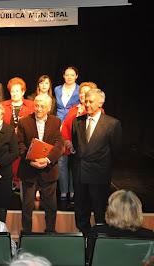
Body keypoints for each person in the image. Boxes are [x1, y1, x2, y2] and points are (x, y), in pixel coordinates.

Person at [71, 88, 122, 235]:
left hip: (99, 175)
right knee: (81, 212)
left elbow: (116, 150)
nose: (87, 104)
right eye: (85, 101)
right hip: (80, 175)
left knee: (100, 212)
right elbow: (78, 146)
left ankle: (98, 243)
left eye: (90, 101)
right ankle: (83, 241)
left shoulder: (112, 124)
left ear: (101, 102)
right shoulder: (77, 122)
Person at [17, 94, 64, 233]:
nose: (38, 108)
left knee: (51, 207)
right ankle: (26, 234)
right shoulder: (24, 122)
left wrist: (48, 160)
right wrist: (31, 161)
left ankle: (50, 232)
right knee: (27, 207)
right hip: (29, 170)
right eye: (36, 105)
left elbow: (59, 144)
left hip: (48, 170)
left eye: (42, 106)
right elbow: (19, 144)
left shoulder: (56, 122)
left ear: (49, 108)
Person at [87, 190, 154, 260]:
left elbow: (89, 259)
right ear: (137, 211)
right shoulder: (149, 236)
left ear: (110, 211)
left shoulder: (96, 232)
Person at [1, 77, 34, 193]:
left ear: (23, 92)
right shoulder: (3, 105)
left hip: (24, 142)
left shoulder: (31, 105)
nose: (14, 94)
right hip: (7, 142)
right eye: (12, 91)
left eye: (17, 91)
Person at [54, 66, 80, 201]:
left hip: (73, 127)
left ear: (76, 76)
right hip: (59, 127)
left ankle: (73, 190)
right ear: (63, 76)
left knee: (73, 160)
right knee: (61, 160)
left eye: (72, 75)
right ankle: (63, 191)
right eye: (67, 75)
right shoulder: (57, 89)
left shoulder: (80, 89)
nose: (69, 77)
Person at [61, 82, 98, 157]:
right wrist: (67, 141)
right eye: (81, 92)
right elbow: (65, 126)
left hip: (87, 152)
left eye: (86, 93)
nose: (82, 95)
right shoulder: (73, 109)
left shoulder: (97, 111)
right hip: (69, 148)